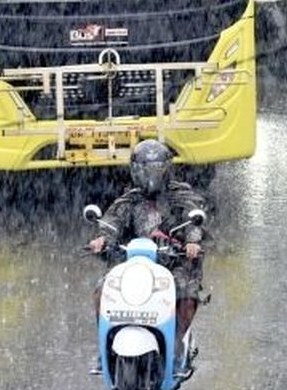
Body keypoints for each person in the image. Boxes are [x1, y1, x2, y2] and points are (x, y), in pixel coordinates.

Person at [86, 140, 207, 373]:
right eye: (144, 169)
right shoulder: (129, 199)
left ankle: (176, 344)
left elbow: (194, 219)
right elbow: (113, 221)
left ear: (167, 168)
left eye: (156, 168)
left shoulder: (180, 195)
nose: (150, 175)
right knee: (104, 289)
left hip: (174, 261)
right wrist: (102, 239)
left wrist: (191, 242)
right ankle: (105, 349)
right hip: (134, 263)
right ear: (134, 170)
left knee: (186, 292)